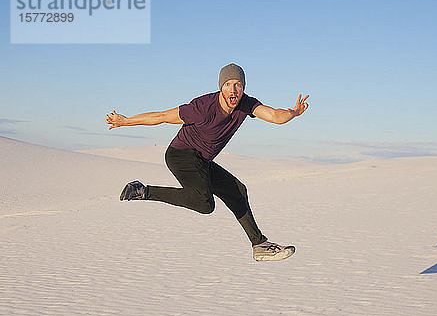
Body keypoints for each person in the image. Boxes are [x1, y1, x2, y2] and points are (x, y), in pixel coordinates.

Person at [105, 63, 309, 261]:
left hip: (202, 160)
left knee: (237, 191)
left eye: (238, 84)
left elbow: (274, 115)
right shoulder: (202, 107)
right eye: (228, 84)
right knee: (204, 203)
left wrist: (293, 113)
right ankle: (143, 191)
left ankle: (260, 245)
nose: (233, 89)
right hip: (180, 155)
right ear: (221, 87)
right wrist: (125, 121)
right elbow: (162, 116)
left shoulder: (246, 104)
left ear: (243, 88)